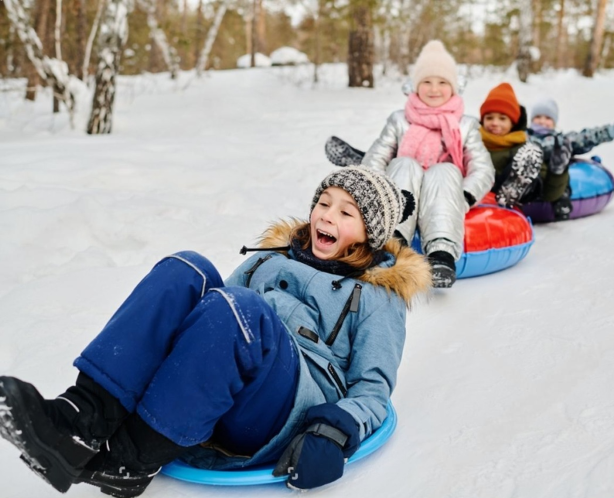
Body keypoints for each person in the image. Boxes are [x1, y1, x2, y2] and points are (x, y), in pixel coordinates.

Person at [0, 167, 432, 497]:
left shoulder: (378, 294)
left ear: (369, 233)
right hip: (233, 379)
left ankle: (135, 458)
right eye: (324, 202)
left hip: (289, 404)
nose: (326, 215)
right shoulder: (270, 257)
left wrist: (334, 431)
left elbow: (373, 391)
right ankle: (82, 420)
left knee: (243, 309)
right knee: (186, 270)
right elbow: (212, 320)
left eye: (346, 211)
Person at [360, 40, 494, 289]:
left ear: (453, 87)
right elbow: (376, 158)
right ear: (415, 86)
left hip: (444, 193)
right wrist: (376, 191)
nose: (434, 89)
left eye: (442, 82)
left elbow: (483, 168)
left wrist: (463, 196)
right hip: (403, 191)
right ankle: (391, 244)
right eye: (427, 82)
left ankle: (441, 253)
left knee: (444, 170)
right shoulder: (399, 120)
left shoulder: (465, 125)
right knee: (405, 163)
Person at [527, 97, 614, 220]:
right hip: (530, 175)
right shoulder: (524, 137)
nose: (542, 121)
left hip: (554, 175)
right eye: (538, 117)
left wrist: (610, 132)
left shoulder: (561, 140)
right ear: (531, 120)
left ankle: (561, 201)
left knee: (561, 168)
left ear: (554, 122)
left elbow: (584, 138)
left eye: (547, 118)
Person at [478, 82, 543, 208]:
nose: (495, 123)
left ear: (512, 123)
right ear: (482, 120)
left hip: (505, 199)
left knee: (522, 166)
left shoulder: (521, 149)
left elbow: (548, 191)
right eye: (489, 118)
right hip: (476, 191)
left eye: (502, 119)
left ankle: (511, 191)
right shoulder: (474, 142)